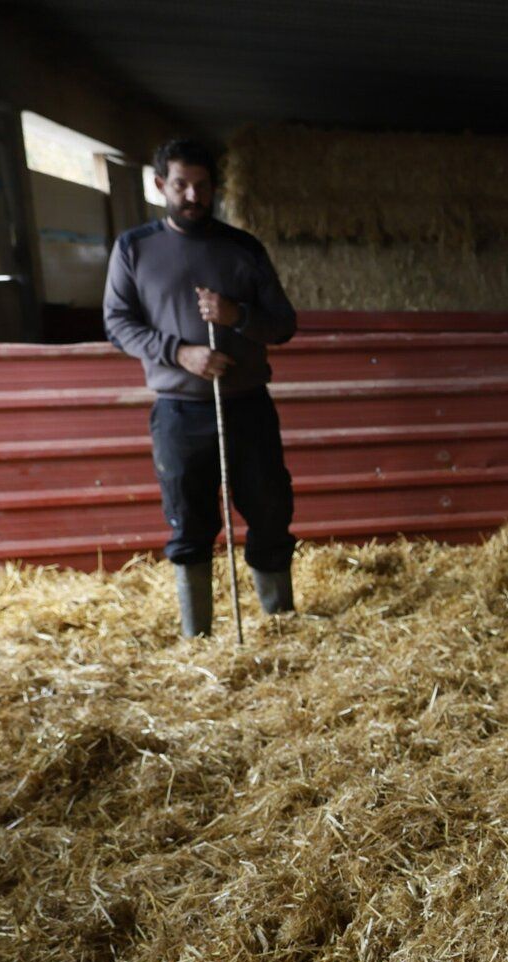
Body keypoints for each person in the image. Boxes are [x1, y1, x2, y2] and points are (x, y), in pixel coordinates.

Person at [102, 137, 299, 637]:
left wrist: (237, 316)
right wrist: (178, 352)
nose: (193, 196)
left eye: (203, 186)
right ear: (160, 184)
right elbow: (118, 323)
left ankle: (280, 628)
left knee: (270, 512)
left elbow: (282, 325)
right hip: (179, 410)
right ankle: (198, 637)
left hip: (247, 405)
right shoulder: (134, 249)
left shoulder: (244, 249)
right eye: (182, 185)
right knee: (189, 523)